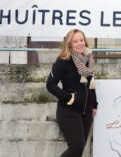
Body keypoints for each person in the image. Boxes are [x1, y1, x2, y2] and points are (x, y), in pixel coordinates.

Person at [46, 29, 98, 157]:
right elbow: (50, 84)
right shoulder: (63, 61)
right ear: (69, 44)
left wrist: (94, 104)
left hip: (86, 112)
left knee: (79, 151)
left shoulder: (88, 60)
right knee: (76, 148)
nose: (80, 43)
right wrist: (68, 97)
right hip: (69, 111)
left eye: (81, 40)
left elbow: (91, 84)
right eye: (75, 41)